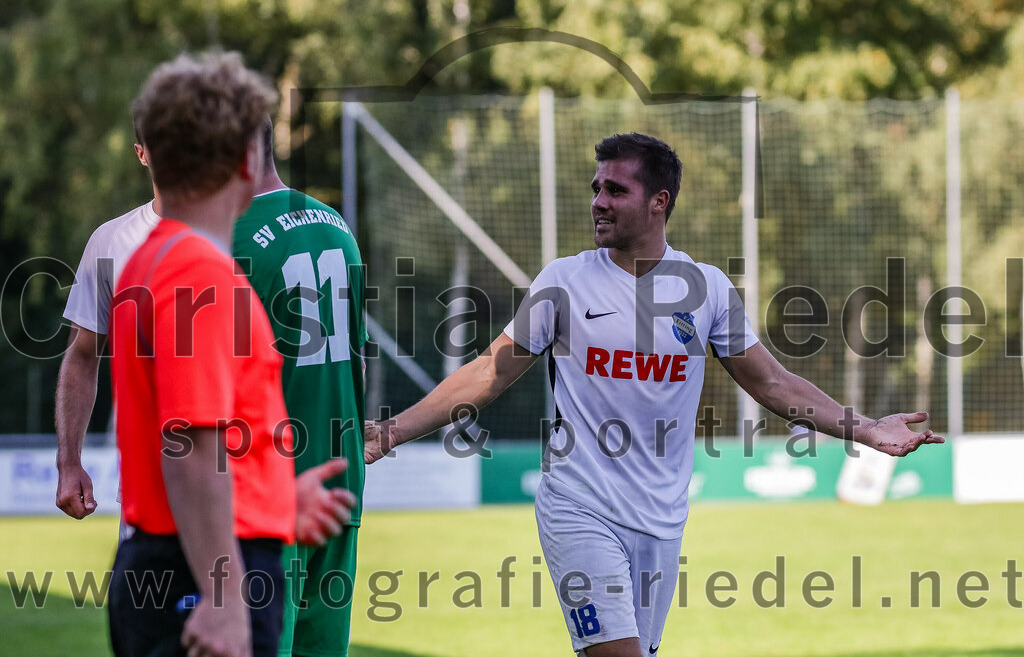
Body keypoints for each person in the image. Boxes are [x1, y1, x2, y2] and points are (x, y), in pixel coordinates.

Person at [364, 133, 945, 657]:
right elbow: (488, 373)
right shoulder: (563, 282)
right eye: (596, 188)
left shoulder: (707, 289)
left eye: (615, 189)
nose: (597, 201)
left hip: (662, 521)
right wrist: (392, 431)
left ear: (658, 202)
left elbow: (771, 382)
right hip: (578, 505)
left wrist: (865, 428)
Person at [107, 52, 355, 657]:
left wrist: (271, 496)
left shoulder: (152, 258)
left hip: (182, 557)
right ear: (248, 158)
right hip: (205, 573)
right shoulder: (200, 273)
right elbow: (192, 444)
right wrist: (223, 596)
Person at [232, 117, 368, 657]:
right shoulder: (336, 224)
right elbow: (356, 357)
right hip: (341, 472)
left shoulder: (231, 236)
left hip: (273, 484)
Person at [55, 111, 161, 524]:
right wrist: (69, 461)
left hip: (239, 483)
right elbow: (83, 355)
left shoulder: (244, 234)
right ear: (141, 154)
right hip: (145, 488)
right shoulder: (112, 240)